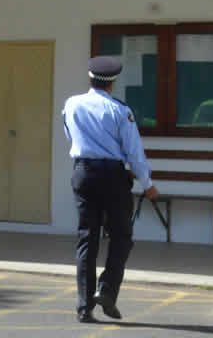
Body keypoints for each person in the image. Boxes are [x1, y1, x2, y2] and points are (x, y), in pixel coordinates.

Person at [62, 56, 159, 323]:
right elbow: (134, 152)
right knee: (121, 236)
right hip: (113, 177)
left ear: (90, 78)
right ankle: (106, 290)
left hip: (83, 172)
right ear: (112, 83)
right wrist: (148, 184)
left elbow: (70, 136)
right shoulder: (119, 110)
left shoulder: (72, 104)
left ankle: (84, 307)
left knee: (87, 238)